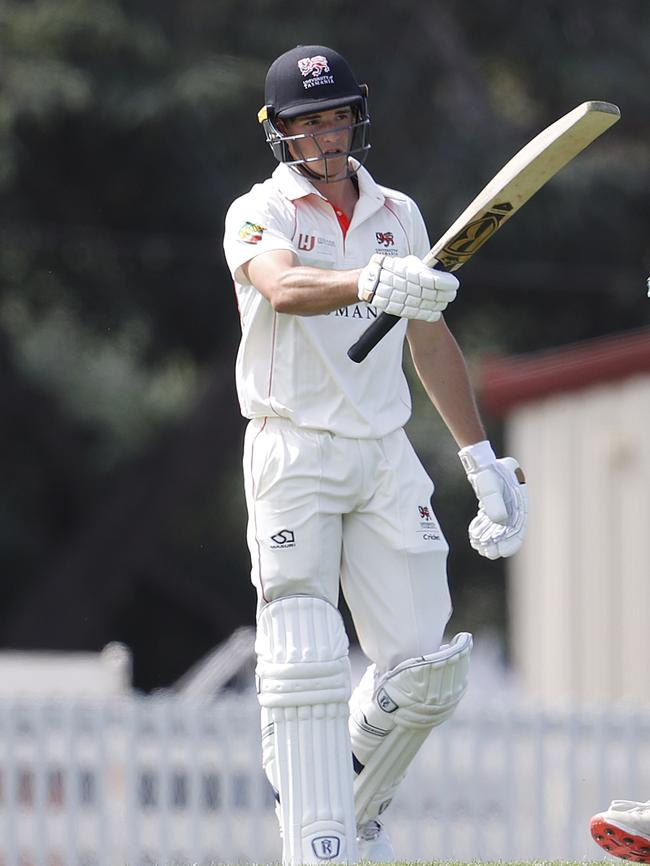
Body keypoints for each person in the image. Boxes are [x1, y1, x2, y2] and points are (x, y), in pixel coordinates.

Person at [223, 44, 528, 865]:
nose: (325, 137)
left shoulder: (399, 212)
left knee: (427, 670)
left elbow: (428, 338)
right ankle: (317, 843)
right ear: (279, 132)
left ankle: (344, 808)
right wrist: (367, 283)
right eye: (306, 123)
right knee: (304, 653)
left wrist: (480, 461)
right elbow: (281, 287)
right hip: (295, 448)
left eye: (336, 118)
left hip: (385, 450)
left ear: (357, 118)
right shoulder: (261, 211)